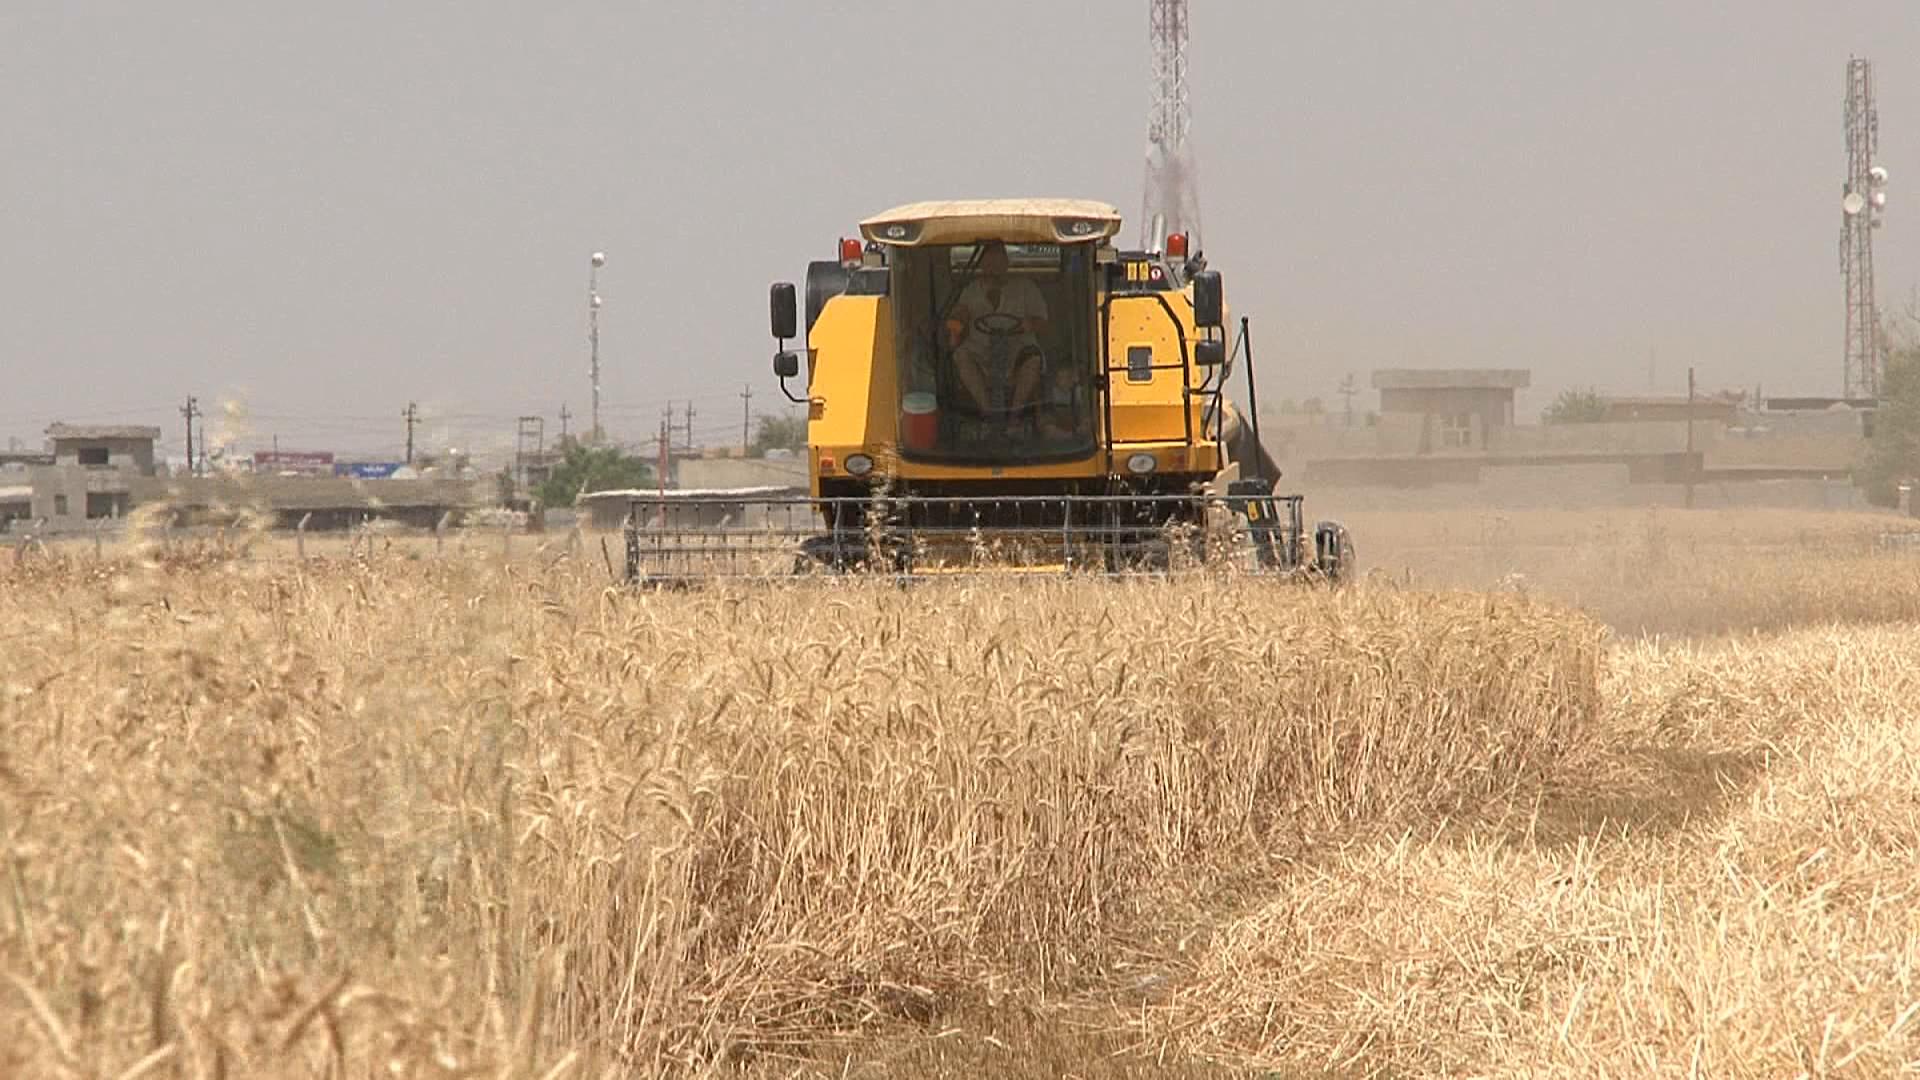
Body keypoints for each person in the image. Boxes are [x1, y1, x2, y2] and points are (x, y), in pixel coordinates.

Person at [945, 241, 1049, 414]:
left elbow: (1044, 323)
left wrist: (1029, 324)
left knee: (1033, 359)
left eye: (998, 261)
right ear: (982, 265)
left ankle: (1015, 414)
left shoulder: (1026, 288)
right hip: (981, 353)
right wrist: (957, 324)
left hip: (1017, 351)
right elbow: (958, 320)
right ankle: (988, 412)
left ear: (1006, 262)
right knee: (961, 355)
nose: (993, 267)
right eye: (989, 262)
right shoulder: (970, 291)